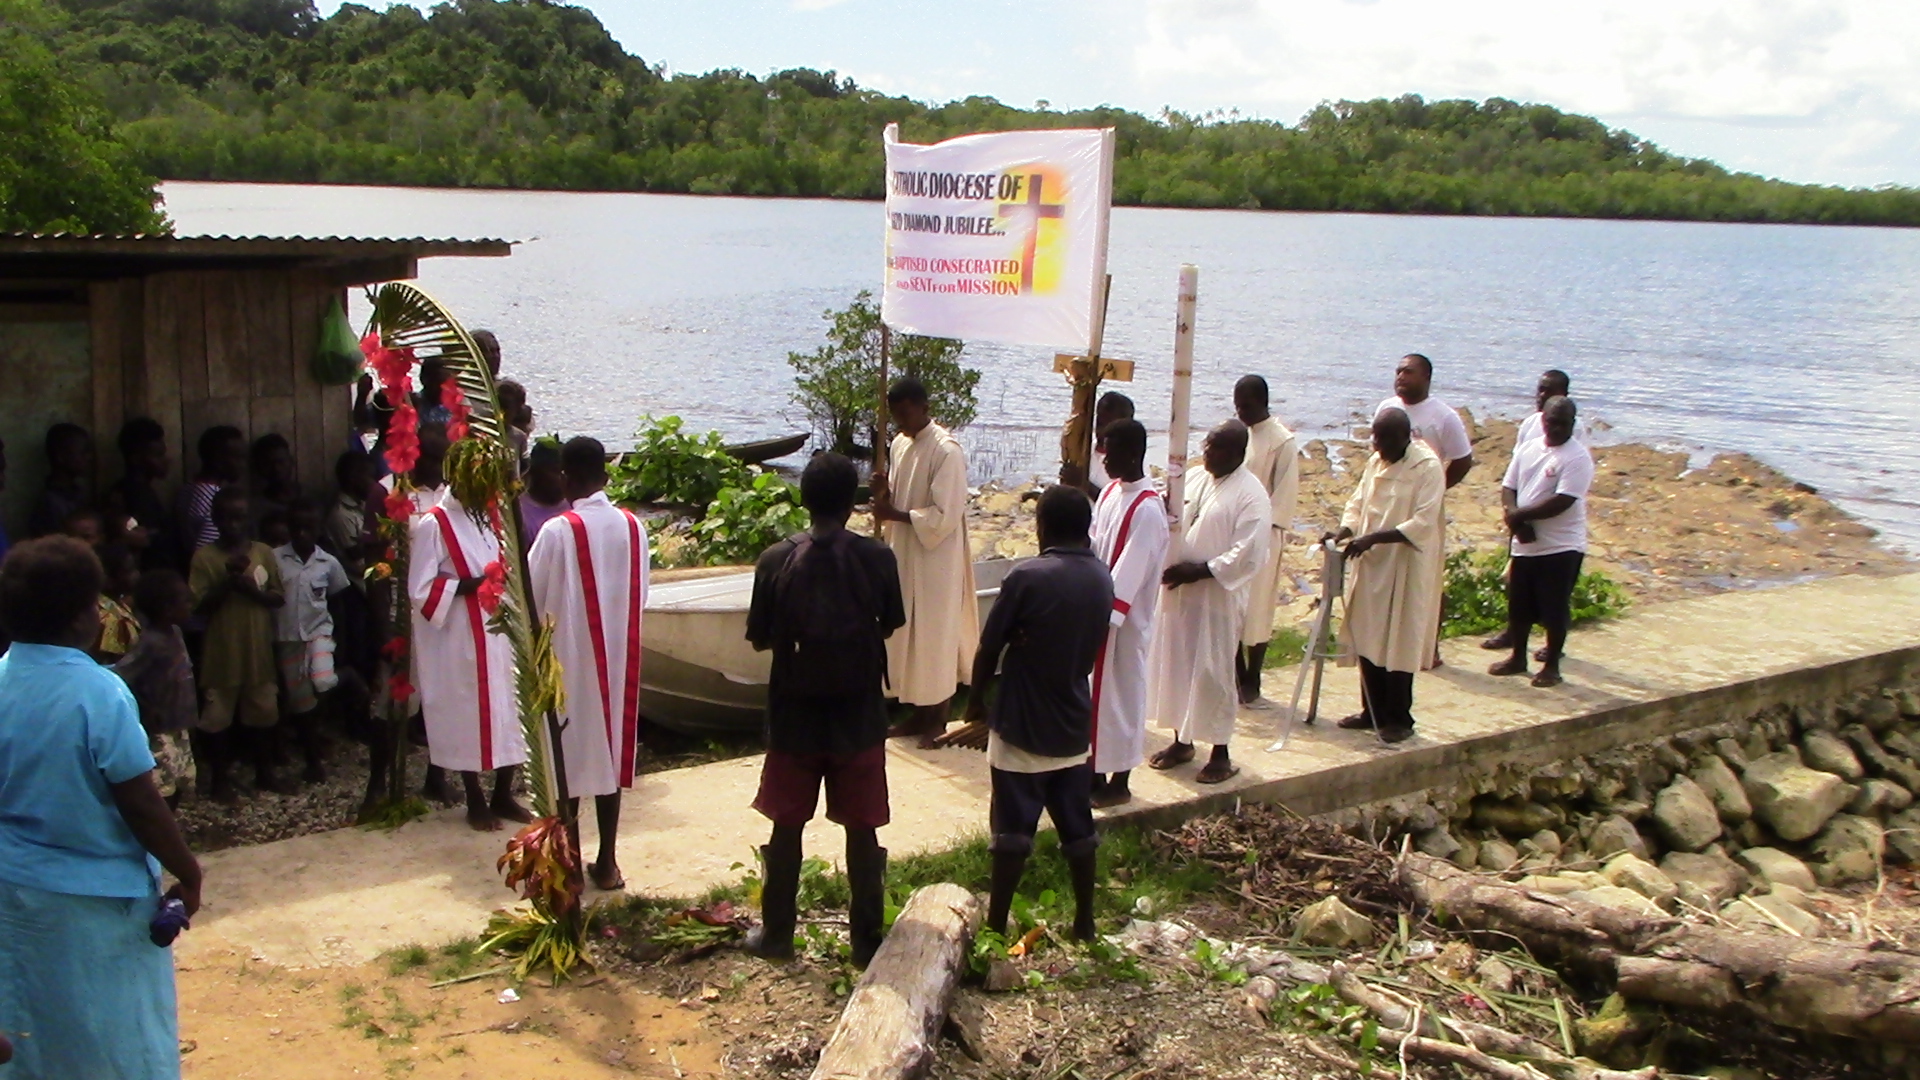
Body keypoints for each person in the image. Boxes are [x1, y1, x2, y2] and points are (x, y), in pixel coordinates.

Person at [0, 536, 203, 1079]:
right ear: (80, 618)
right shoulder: (99, 692)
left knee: (37, 1024)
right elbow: (139, 801)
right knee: (116, 1034)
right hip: (101, 901)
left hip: (17, 891)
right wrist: (188, 871)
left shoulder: (2, 680)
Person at [742, 453, 904, 965]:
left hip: (794, 716)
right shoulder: (878, 558)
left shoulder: (775, 559)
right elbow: (890, 623)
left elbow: (759, 638)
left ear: (803, 500)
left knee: (786, 826)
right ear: (853, 503)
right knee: (862, 829)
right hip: (859, 715)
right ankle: (866, 942)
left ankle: (777, 936)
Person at [967, 485, 1112, 941]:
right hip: (1072, 719)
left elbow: (990, 645)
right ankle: (1085, 921)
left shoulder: (1026, 576)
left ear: (1041, 526)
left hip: (1022, 718)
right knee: (1077, 827)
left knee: (1011, 830)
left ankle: (995, 926)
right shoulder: (1102, 577)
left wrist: (975, 703)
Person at [528, 436, 650, 890]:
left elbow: (532, 599)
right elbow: (641, 594)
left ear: (565, 477)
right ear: (605, 475)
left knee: (570, 756)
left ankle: (573, 863)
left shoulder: (558, 531)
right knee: (609, 751)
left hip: (569, 656)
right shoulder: (634, 527)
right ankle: (609, 861)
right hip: (619, 654)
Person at [408, 425, 532, 831]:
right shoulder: (435, 524)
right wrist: (470, 586)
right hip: (459, 634)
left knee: (510, 707)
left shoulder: (490, 517)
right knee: (467, 711)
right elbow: (420, 589)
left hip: (499, 631)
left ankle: (503, 793)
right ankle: (474, 797)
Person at [1146, 420, 1272, 783]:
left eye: (1217, 448)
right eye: (1207, 445)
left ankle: (1220, 753)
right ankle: (1182, 741)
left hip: (1216, 597)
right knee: (1178, 666)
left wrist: (1200, 571)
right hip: (1181, 594)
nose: (1208, 453)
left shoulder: (1252, 494)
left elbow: (1248, 551)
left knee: (1213, 673)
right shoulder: (1196, 478)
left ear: (1238, 453)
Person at [870, 376, 977, 748]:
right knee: (908, 635)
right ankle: (917, 712)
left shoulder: (947, 451)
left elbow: (945, 515)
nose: (901, 421)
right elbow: (899, 497)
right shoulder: (900, 444)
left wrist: (894, 514)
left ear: (924, 408)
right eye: (895, 415)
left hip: (936, 558)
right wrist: (883, 494)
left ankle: (938, 716)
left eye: (906, 413)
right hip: (905, 553)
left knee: (934, 635)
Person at [1331, 408, 1446, 743]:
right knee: (1368, 635)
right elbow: (1357, 503)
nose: (1378, 446)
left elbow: (1423, 521)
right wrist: (1344, 531)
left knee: (1398, 639)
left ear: (1405, 437)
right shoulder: (1375, 461)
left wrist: (1374, 538)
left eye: (1385, 439)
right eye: (1375, 438)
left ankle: (1399, 718)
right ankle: (1371, 710)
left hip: (1403, 564)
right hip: (1371, 565)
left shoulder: (1427, 467)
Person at [1088, 420, 1169, 809]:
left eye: (1112, 451)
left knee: (1121, 698)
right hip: (1097, 611)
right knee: (1096, 698)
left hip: (1124, 622)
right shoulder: (1108, 494)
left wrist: (1106, 612)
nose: (1104, 460)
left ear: (1134, 453)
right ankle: (1093, 772)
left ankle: (1120, 781)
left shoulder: (1147, 509)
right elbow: (1093, 546)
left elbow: (1131, 571)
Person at [1488, 397, 1592, 688]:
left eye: (1563, 423)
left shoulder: (1577, 457)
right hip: (1526, 543)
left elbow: (1563, 500)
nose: (1556, 428)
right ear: (1542, 420)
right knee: (1519, 604)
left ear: (1572, 424)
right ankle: (1517, 657)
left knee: (1554, 607)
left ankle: (1552, 665)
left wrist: (1520, 516)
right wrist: (1515, 519)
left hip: (1560, 545)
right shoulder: (1529, 448)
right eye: (1551, 422)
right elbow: (1509, 487)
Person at [190, 486, 287, 799]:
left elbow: (278, 597)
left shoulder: (263, 553)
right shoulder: (205, 557)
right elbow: (197, 606)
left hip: (257, 651)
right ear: (215, 520)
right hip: (221, 653)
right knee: (217, 718)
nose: (233, 525)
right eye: (226, 518)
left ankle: (264, 772)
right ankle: (219, 779)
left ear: (249, 519)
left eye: (240, 518)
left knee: (263, 713)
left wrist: (252, 592)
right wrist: (228, 584)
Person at [273, 497, 352, 782]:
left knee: (322, 680)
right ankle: (312, 759)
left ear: (318, 529)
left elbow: (339, 602)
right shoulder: (275, 559)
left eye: (308, 528)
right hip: (288, 638)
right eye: (296, 528)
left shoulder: (328, 563)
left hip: (319, 632)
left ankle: (347, 677)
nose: (302, 534)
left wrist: (341, 640)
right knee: (301, 701)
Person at [1233, 375, 1301, 704]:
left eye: (1246, 406)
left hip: (1265, 535)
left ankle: (1253, 675)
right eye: (1237, 406)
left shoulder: (1282, 442)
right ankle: (1235, 673)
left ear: (1262, 402)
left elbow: (1284, 494)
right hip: (1234, 533)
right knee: (1233, 604)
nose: (1241, 412)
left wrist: (1259, 527)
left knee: (1258, 607)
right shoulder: (1240, 435)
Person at [115, 569, 200, 809]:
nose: (190, 604)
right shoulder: (150, 643)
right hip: (160, 730)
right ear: (167, 608)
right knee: (162, 788)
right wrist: (145, 707)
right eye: (184, 600)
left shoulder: (175, 633)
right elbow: (122, 675)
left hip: (179, 724)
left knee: (180, 779)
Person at [112, 417, 180, 572]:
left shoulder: (144, 491)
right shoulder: (132, 495)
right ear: (136, 459)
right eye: (158, 455)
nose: (166, 460)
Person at [179, 426, 245, 557]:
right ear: (217, 459)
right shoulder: (216, 500)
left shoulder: (188, 489)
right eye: (237, 457)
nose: (242, 464)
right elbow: (210, 554)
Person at [26, 422, 94, 539]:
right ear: (61, 457)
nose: (89, 457)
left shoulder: (77, 492)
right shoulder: (50, 503)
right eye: (83, 452)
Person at [93, 542, 142, 663]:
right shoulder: (110, 619)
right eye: (129, 571)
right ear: (108, 579)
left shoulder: (120, 605)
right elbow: (112, 664)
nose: (136, 574)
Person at [518, 439, 572, 548]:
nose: (562, 478)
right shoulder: (520, 512)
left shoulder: (575, 505)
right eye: (555, 471)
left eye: (566, 472)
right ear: (534, 472)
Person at [1085, 391, 1135, 490]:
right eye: (1099, 422)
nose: (1101, 430)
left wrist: (1084, 484)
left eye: (1108, 425)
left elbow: (1120, 497)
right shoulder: (1084, 450)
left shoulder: (1128, 462)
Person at [1515, 369, 1571, 447]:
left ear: (1564, 395)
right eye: (1540, 390)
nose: (1542, 395)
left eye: (1550, 391)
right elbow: (1519, 453)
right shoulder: (1530, 423)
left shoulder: (1575, 428)